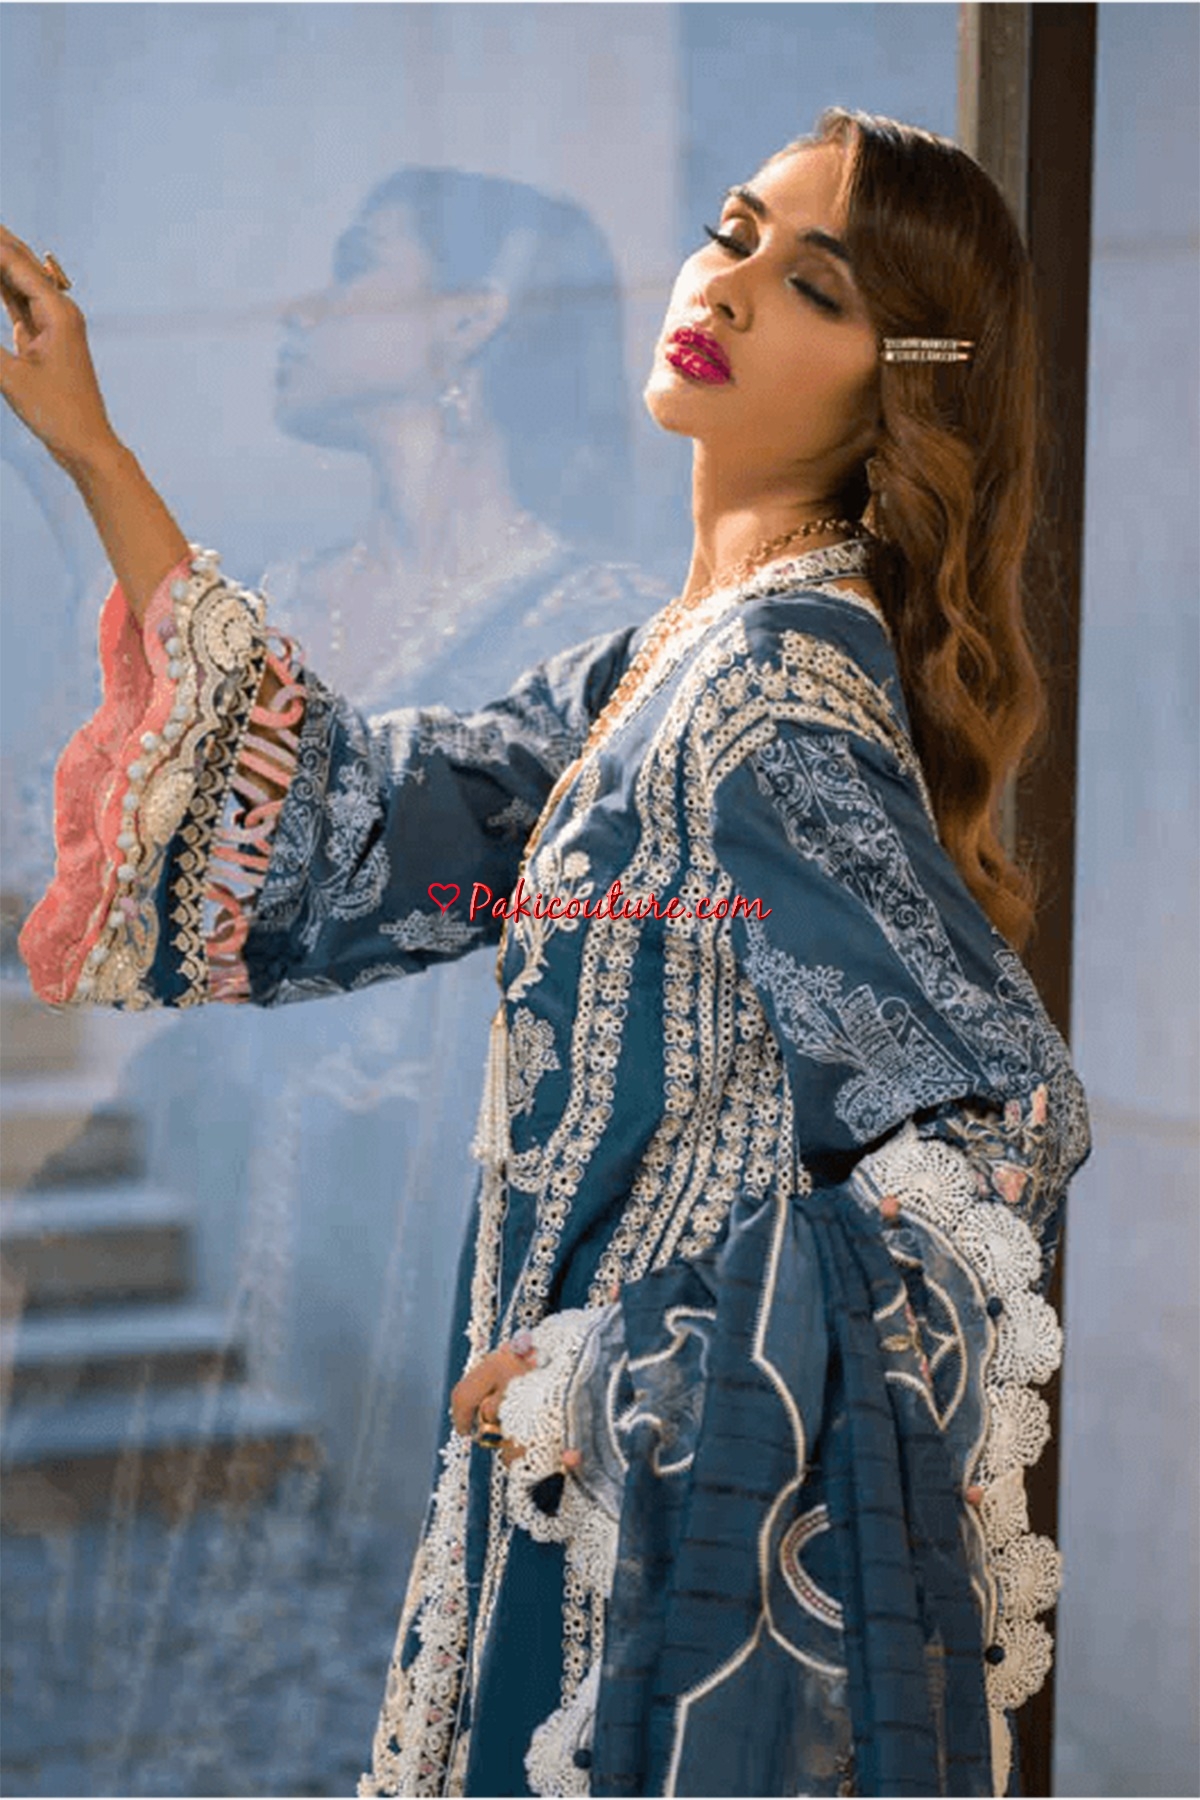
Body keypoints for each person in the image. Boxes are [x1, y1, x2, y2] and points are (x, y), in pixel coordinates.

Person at [2, 103, 1092, 1800]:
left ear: (906, 385)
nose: (728, 290)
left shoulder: (768, 695)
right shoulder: (670, 660)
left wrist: (637, 1372)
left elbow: (1002, 1124)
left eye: (816, 287)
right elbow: (358, 821)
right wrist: (94, 450)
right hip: (562, 1490)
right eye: (733, 234)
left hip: (626, 1528)